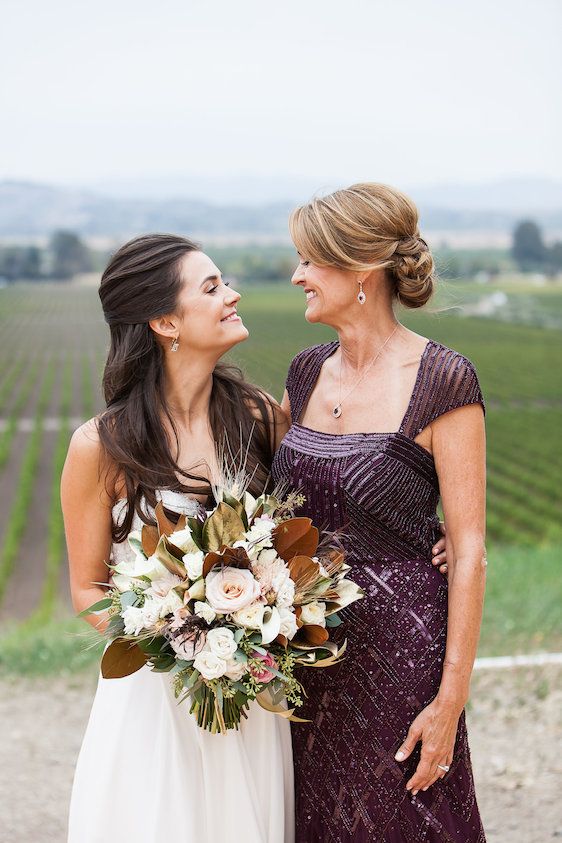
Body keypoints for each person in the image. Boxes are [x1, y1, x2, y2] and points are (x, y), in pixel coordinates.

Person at [62, 234, 295, 843]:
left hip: (248, 698)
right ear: (165, 321)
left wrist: (440, 537)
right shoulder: (100, 447)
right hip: (155, 701)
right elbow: (87, 588)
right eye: (212, 287)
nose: (233, 294)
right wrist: (179, 644)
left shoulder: (261, 418)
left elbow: (311, 528)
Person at [272, 183, 487, 842]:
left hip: (402, 663)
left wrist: (448, 702)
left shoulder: (443, 379)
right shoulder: (305, 372)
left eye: (310, 260)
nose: (297, 275)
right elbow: (263, 505)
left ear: (360, 269)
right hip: (308, 659)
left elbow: (471, 548)